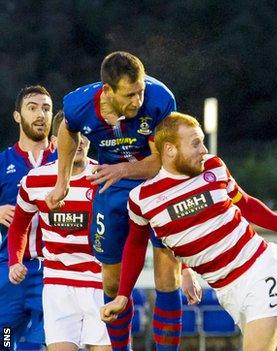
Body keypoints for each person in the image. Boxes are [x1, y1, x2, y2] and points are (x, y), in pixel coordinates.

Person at [101, 112, 277, 351]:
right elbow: (137, 246)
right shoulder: (142, 199)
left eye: (202, 141)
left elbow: (247, 204)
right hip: (228, 290)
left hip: (260, 271)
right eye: (195, 143)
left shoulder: (213, 167)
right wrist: (122, 295)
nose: (203, 149)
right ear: (169, 150)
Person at [44, 51, 200, 351]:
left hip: (156, 185)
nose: (137, 101)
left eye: (140, 91)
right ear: (108, 91)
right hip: (112, 189)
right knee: (112, 285)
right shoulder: (79, 105)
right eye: (129, 95)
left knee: (167, 277)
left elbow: (164, 161)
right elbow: (67, 130)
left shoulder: (160, 100)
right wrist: (61, 181)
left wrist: (124, 168)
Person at [8, 116, 112, 351]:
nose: (79, 141)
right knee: (9, 332)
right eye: (71, 136)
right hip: (58, 285)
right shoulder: (35, 181)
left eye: (83, 135)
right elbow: (18, 224)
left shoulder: (104, 177)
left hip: (99, 281)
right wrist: (15, 260)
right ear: (56, 142)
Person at [0, 85, 56, 351]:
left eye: (46, 108)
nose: (40, 114)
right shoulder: (3, 163)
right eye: (32, 108)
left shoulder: (65, 159)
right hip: (9, 268)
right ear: (17, 116)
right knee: (6, 336)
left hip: (55, 267)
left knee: (44, 339)